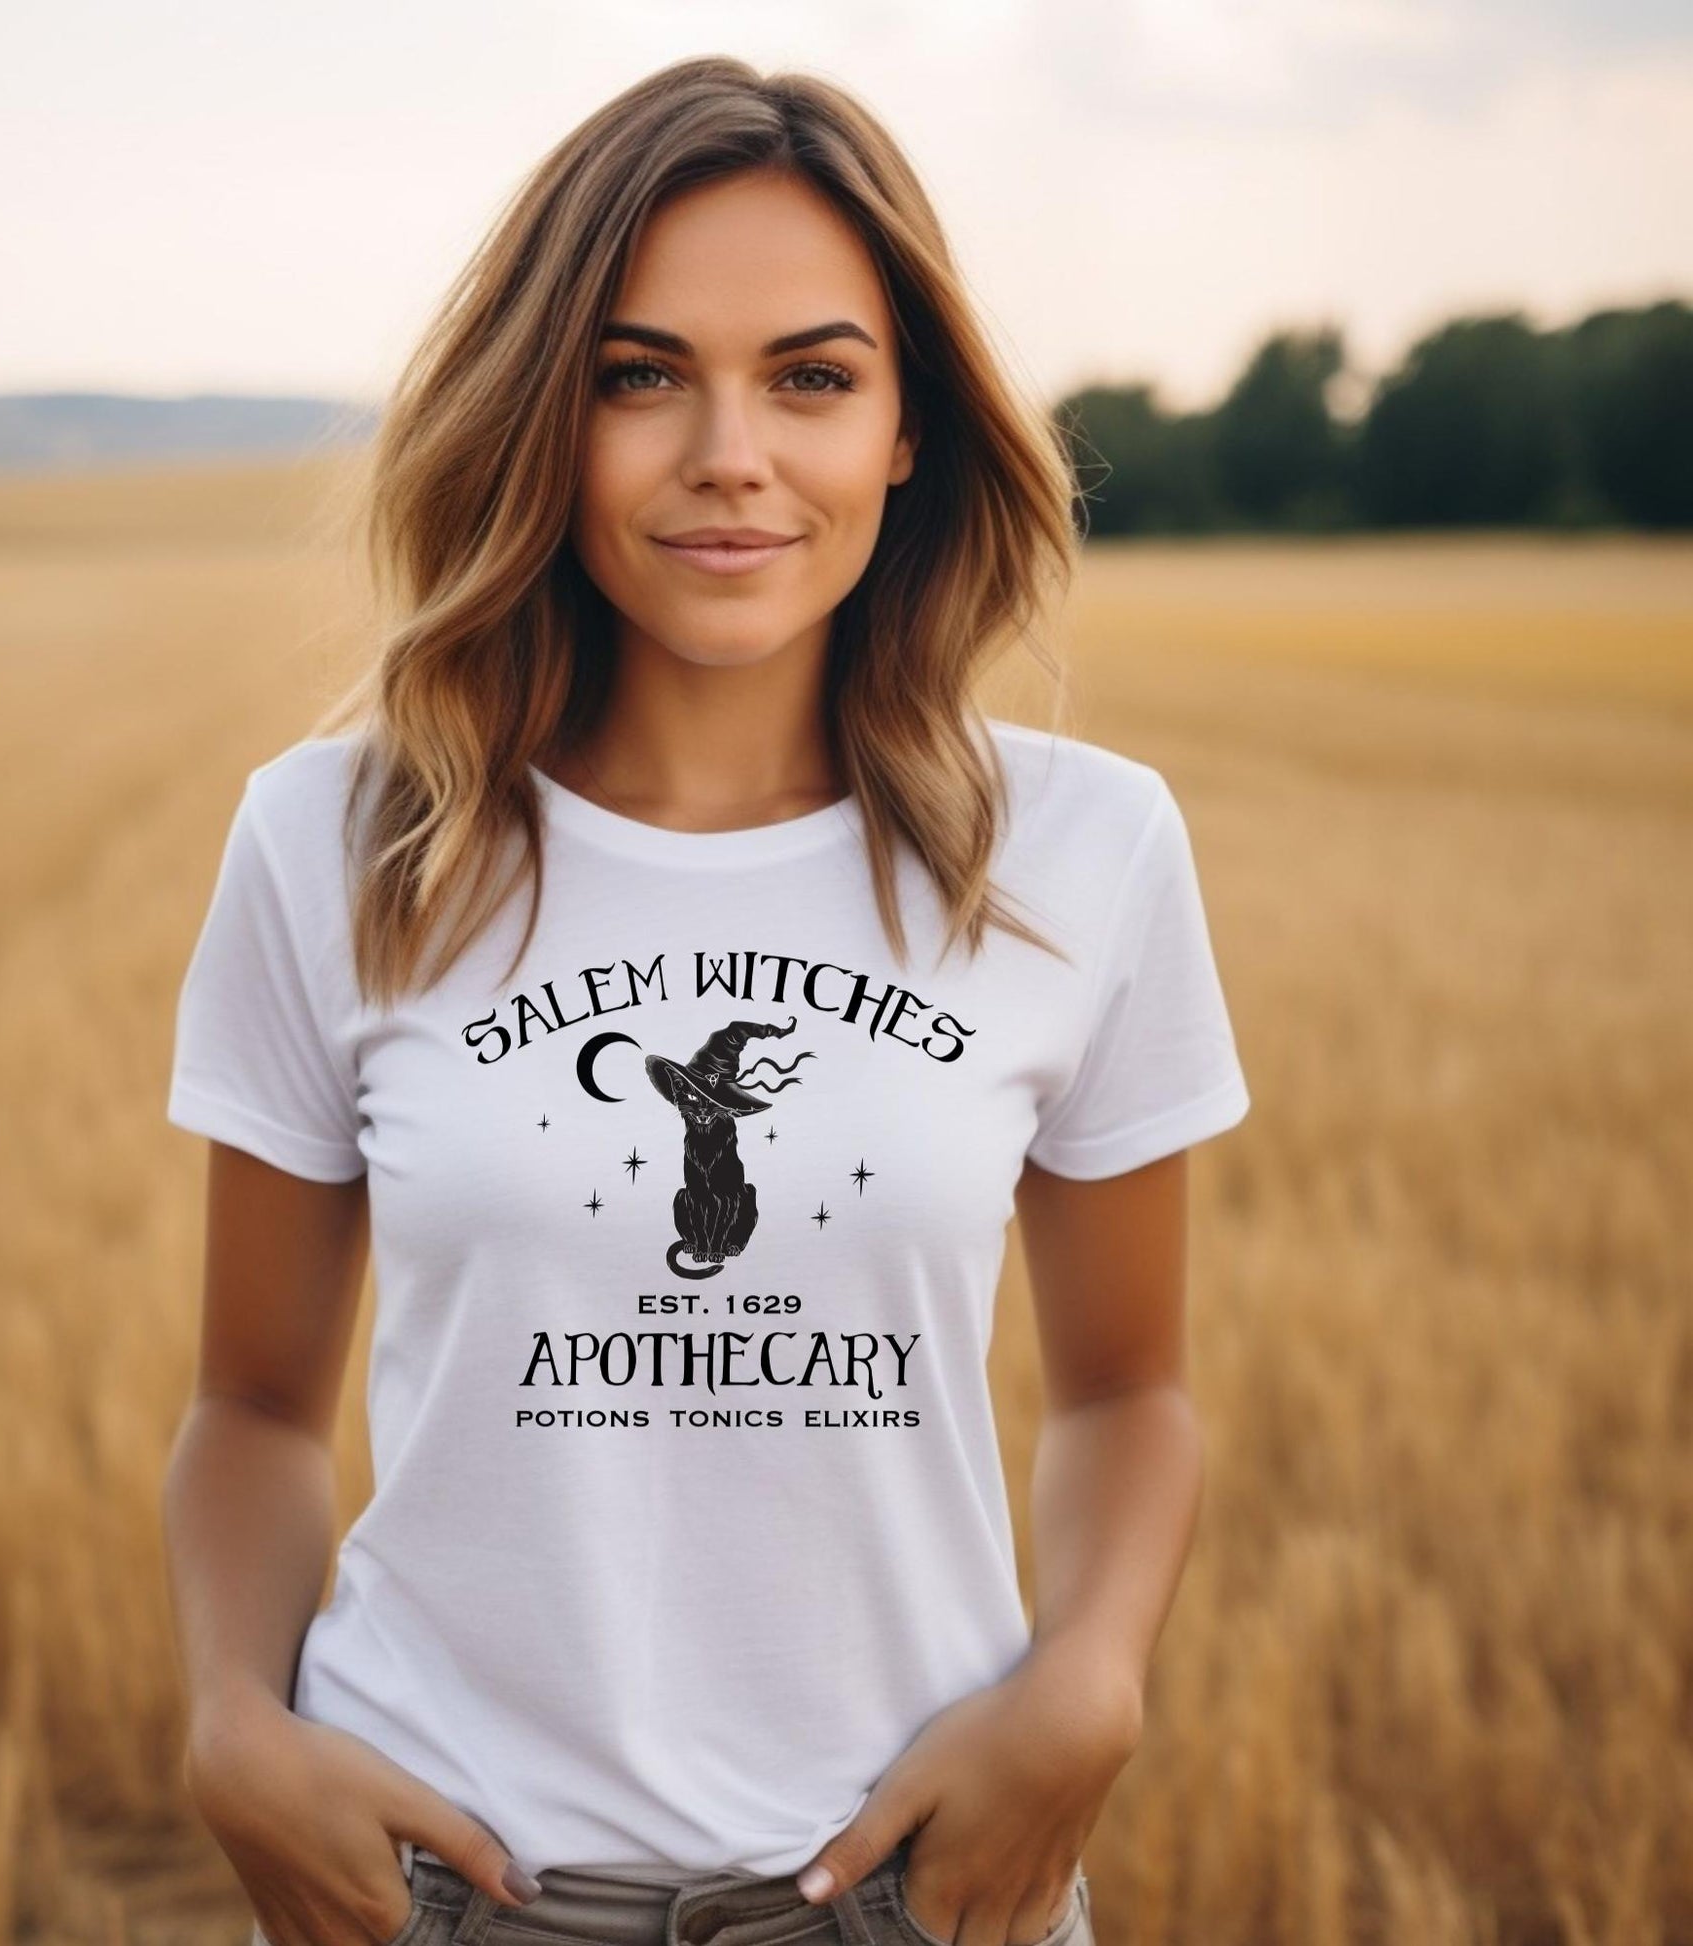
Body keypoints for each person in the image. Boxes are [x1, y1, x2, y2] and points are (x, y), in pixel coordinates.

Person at [160, 55, 1251, 1946]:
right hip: (445, 1896)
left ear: (907, 430)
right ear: (541, 420)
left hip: (924, 1898)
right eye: (637, 374)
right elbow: (252, 1401)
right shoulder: (338, 840)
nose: (727, 452)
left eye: (812, 377)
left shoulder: (1082, 851)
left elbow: (1128, 1387)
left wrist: (1087, 1684)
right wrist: (229, 1721)